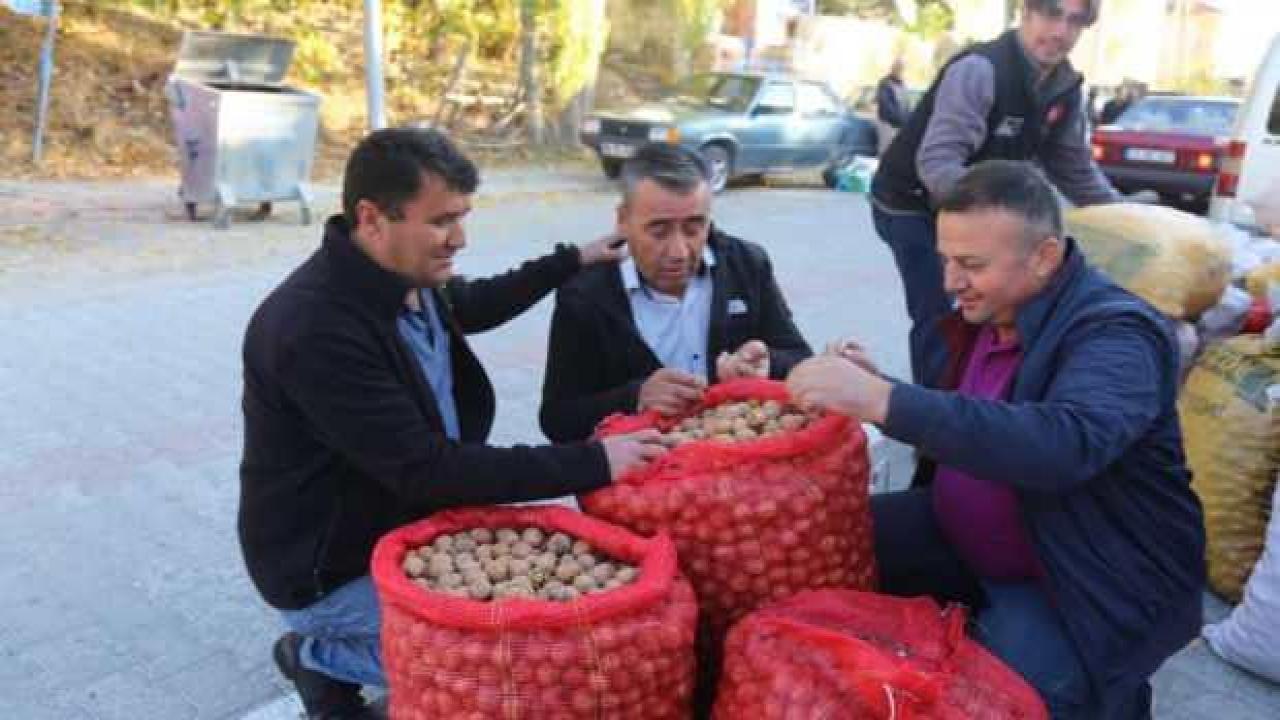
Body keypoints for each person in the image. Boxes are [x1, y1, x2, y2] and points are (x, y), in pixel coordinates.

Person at [238, 127, 665, 720]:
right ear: (372, 218)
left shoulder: (406, 276)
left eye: (462, 217)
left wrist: (572, 260)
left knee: (536, 649)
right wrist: (593, 461)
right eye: (441, 222)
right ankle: (317, 652)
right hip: (331, 568)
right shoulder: (313, 329)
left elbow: (472, 304)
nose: (459, 239)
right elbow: (428, 468)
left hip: (408, 519)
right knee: (489, 678)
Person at [789, 160, 1205, 719]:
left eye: (971, 264)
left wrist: (884, 402)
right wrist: (877, 385)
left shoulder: (1116, 333)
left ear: (1045, 257)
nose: (950, 282)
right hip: (958, 531)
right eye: (946, 260)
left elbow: (1066, 442)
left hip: (1075, 574)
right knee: (823, 545)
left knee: (1022, 693)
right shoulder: (996, 310)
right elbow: (972, 419)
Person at [870, 0, 1122, 383]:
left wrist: (1127, 215)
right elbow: (938, 164)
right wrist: (997, 223)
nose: (1060, 32)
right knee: (945, 307)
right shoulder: (980, 71)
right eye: (1051, 14)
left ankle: (982, 400)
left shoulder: (1065, 88)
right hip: (910, 203)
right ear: (1026, 12)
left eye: (1074, 22)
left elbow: (1073, 167)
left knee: (1003, 299)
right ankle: (933, 422)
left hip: (978, 208)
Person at [539, 142, 812, 443]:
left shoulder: (747, 264)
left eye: (694, 228)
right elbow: (558, 419)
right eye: (659, 230)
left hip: (740, 466)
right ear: (623, 220)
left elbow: (801, 360)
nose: (679, 251)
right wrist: (636, 396)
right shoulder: (586, 295)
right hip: (640, 479)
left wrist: (769, 365)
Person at [875, 58, 911, 154]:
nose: (899, 70)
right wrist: (901, 120)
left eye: (901, 68)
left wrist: (908, 121)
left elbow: (906, 106)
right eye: (897, 67)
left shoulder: (902, 85)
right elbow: (887, 107)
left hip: (900, 126)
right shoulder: (884, 83)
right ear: (892, 68)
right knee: (886, 152)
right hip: (888, 125)